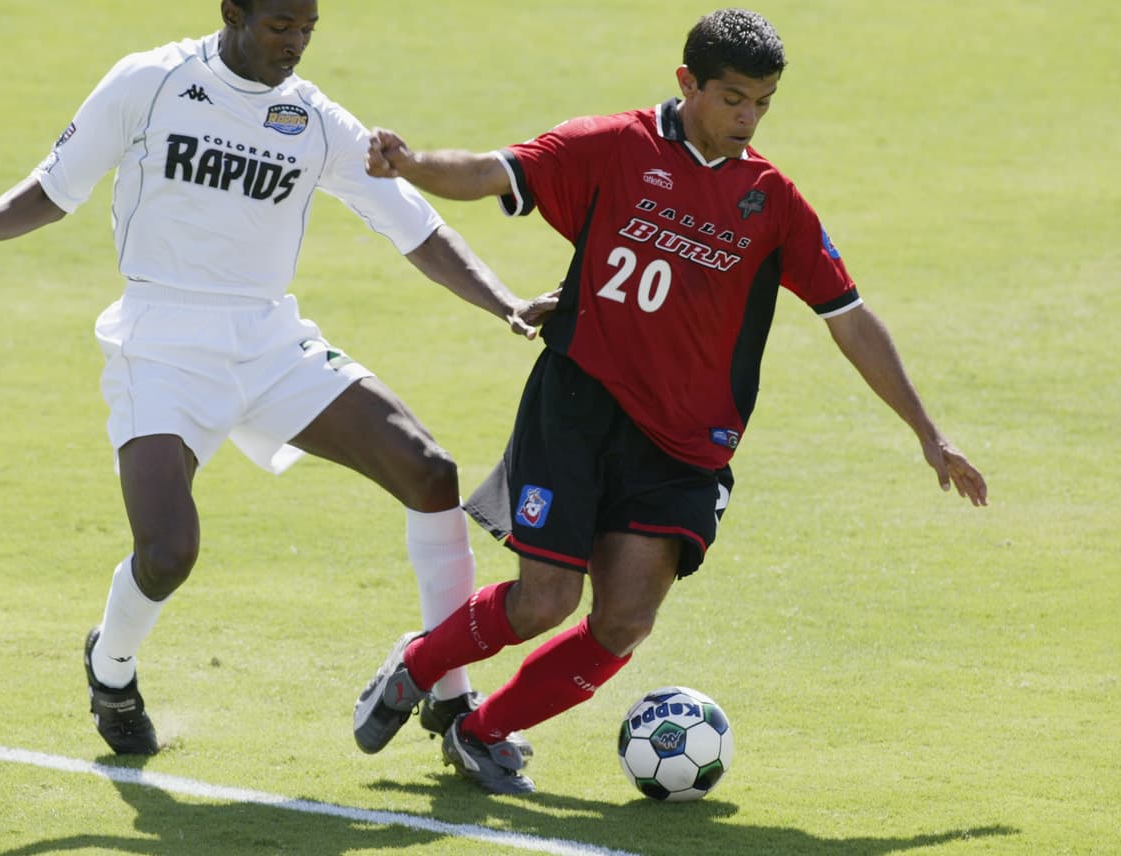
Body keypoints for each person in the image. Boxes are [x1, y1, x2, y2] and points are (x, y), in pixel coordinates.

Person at [352, 7, 989, 794]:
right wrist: (410, 165)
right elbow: (492, 172)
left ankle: (484, 732)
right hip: (579, 404)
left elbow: (849, 317)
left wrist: (928, 433)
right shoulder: (612, 145)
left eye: (762, 102)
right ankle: (416, 667)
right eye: (731, 98)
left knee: (623, 621)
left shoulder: (771, 200)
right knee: (543, 601)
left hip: (686, 443)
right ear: (687, 82)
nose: (747, 119)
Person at [0, 0, 557, 757]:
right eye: (281, 26)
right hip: (162, 343)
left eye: (308, 29)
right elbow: (56, 188)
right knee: (168, 553)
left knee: (429, 470)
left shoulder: (314, 119)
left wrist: (504, 302)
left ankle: (449, 691)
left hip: (269, 340)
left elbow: (415, 227)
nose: (296, 44)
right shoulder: (149, 81)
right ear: (233, 12)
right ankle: (111, 669)